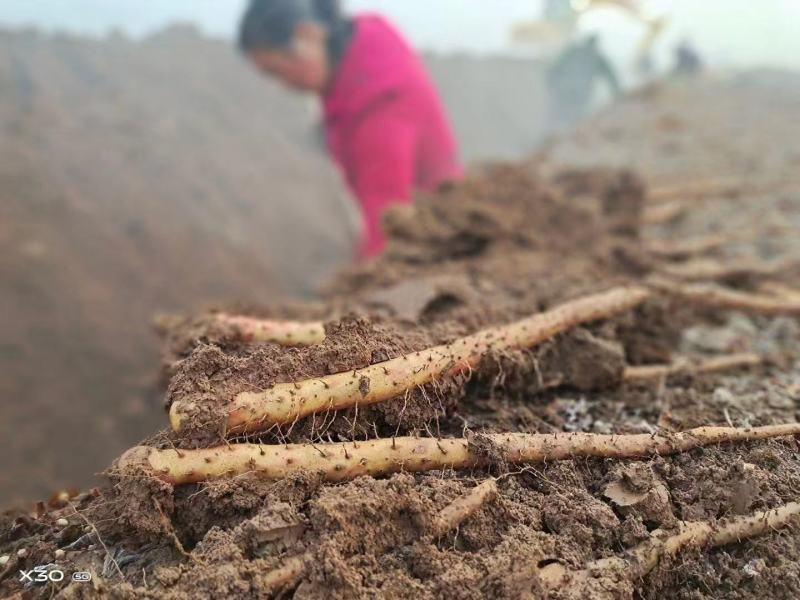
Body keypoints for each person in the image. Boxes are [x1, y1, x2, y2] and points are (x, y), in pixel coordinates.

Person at [239, 0, 462, 257]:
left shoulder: (380, 108)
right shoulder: (357, 59)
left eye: (277, 71)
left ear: (307, 35)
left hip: (439, 246)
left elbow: (388, 223)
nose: (281, 85)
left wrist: (361, 284)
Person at [546, 35, 621, 131]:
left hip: (571, 92)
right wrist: (617, 93)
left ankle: (555, 134)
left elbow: (554, 68)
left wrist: (552, 83)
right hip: (573, 93)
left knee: (562, 115)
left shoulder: (574, 52)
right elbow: (611, 77)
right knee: (567, 115)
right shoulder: (593, 56)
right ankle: (556, 134)